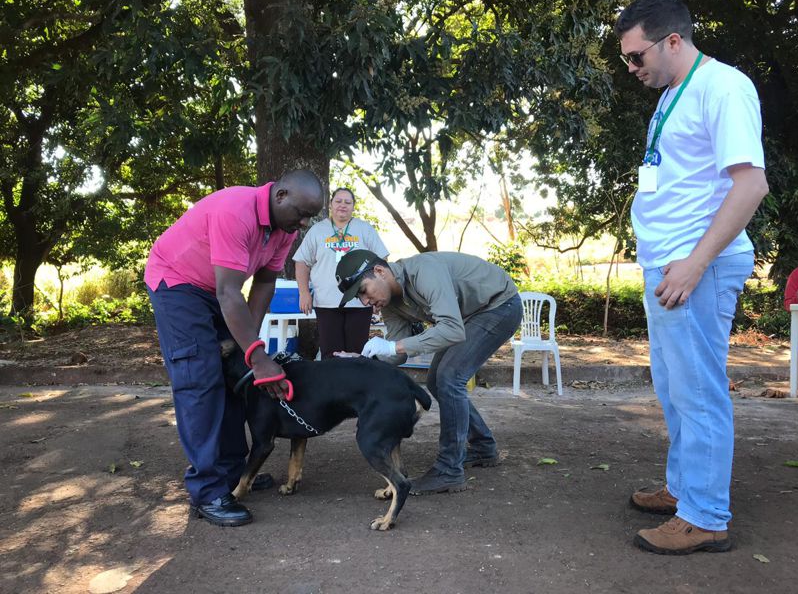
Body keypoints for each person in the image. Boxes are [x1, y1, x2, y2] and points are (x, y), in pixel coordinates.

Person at [615, 0, 769, 554]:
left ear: (673, 41)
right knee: (676, 388)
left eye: (637, 56)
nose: (633, 68)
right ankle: (685, 490)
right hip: (672, 264)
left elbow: (750, 184)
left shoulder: (723, 87)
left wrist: (695, 263)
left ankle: (705, 517)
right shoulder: (673, 93)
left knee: (699, 391)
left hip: (695, 267)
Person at [144, 169, 324, 526]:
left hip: (213, 291)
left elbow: (263, 285)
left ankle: (232, 475)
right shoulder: (235, 210)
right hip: (177, 284)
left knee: (233, 376)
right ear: (281, 194)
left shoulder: (284, 229)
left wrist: (248, 352)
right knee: (200, 379)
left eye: (309, 217)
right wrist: (260, 358)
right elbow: (230, 292)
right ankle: (208, 492)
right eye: (300, 213)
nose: (303, 223)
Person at [335, 249, 522, 495]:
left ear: (379, 271)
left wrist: (393, 345)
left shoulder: (424, 272)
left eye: (363, 291)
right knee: (436, 381)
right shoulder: (391, 304)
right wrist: (364, 360)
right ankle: (483, 447)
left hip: (499, 306)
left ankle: (449, 471)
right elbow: (399, 352)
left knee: (449, 378)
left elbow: (451, 330)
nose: (365, 302)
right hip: (467, 317)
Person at [293, 187, 389, 358]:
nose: (342, 205)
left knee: (357, 353)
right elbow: (301, 262)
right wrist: (303, 292)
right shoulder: (317, 231)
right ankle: (333, 385)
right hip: (326, 303)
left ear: (353, 207)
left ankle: (356, 385)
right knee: (330, 354)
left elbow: (382, 260)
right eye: (338, 201)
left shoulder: (364, 229)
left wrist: (378, 295)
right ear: (330, 205)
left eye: (347, 202)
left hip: (360, 303)